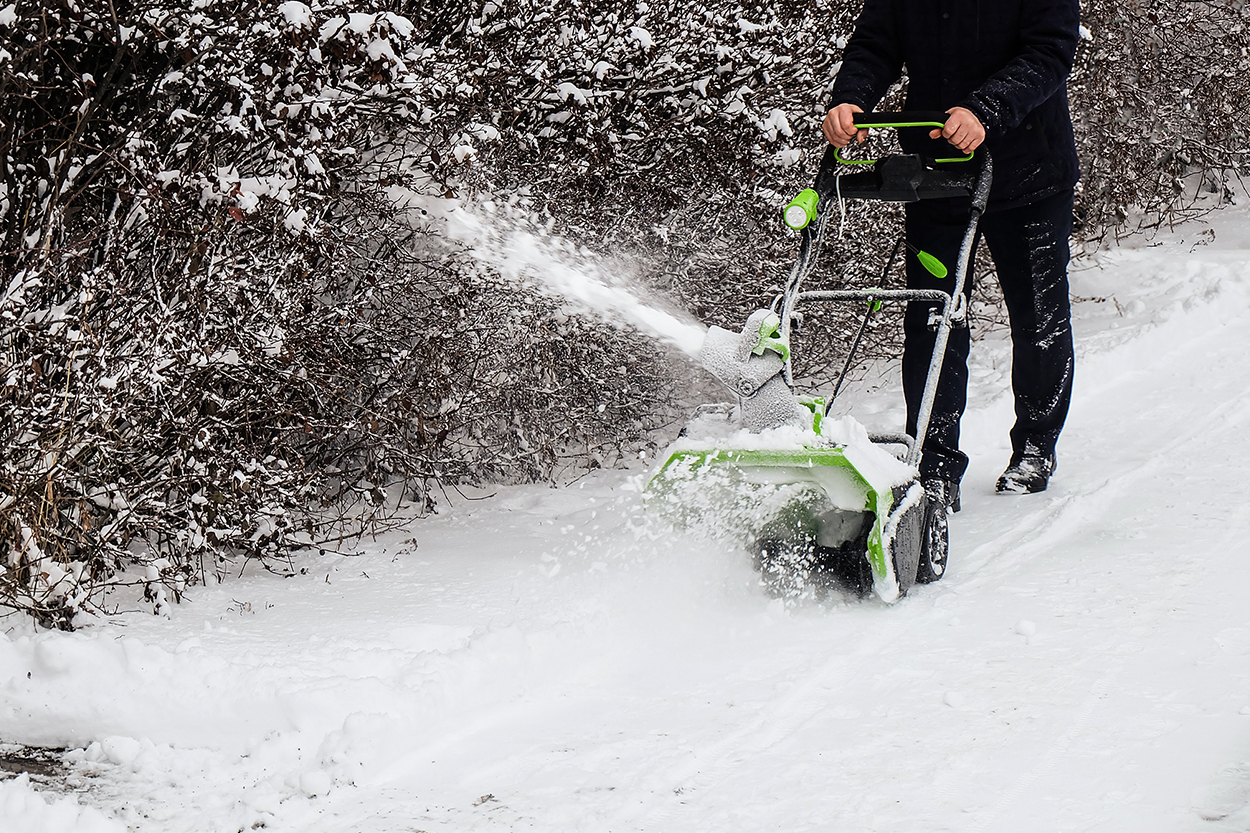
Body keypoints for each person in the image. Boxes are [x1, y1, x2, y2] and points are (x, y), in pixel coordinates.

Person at [822, 0, 1081, 510]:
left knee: (1037, 317)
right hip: (935, 172)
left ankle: (1035, 446)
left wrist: (985, 109)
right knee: (931, 315)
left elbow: (1049, 51)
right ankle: (933, 462)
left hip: (1029, 169)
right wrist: (851, 100)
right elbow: (875, 44)